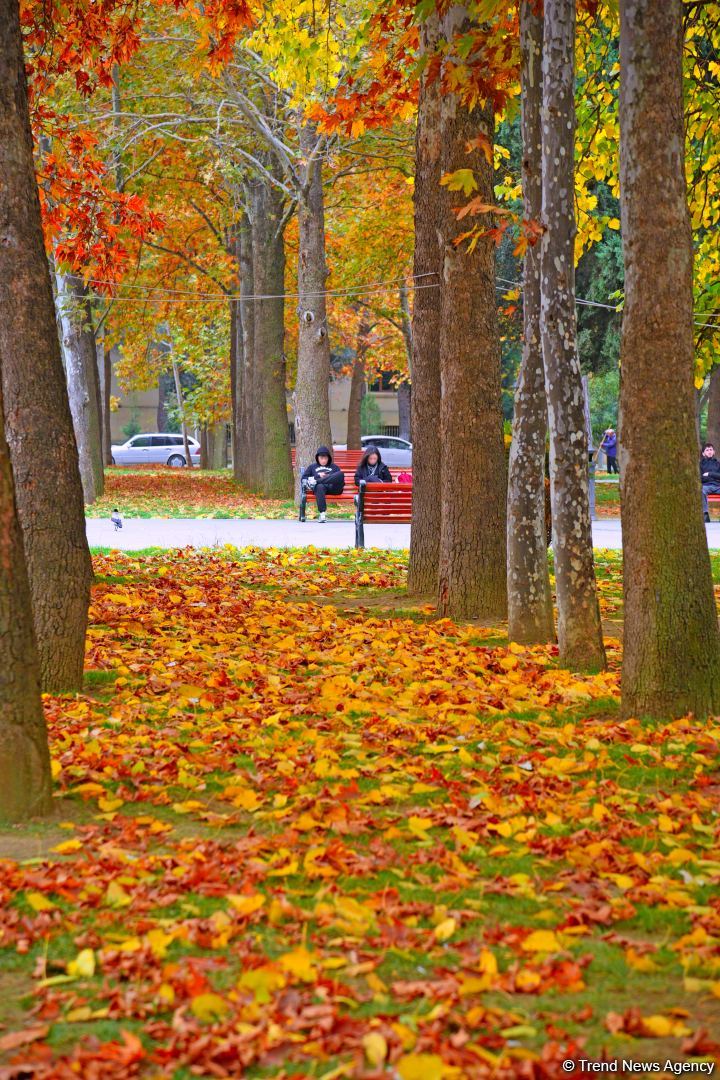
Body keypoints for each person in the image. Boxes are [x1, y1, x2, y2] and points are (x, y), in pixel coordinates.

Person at [300, 446, 345, 522]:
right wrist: (318, 476)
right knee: (319, 486)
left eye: (325, 458)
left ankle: (318, 481)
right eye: (321, 458)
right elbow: (303, 478)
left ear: (328, 458)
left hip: (333, 488)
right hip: (320, 489)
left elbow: (339, 478)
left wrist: (324, 478)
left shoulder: (334, 467)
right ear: (317, 458)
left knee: (340, 474)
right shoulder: (312, 467)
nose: (324, 460)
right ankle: (322, 514)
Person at [700, 442, 720, 522]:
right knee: (701, 491)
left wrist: (709, 474)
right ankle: (705, 514)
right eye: (707, 450)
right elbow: (700, 477)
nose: (709, 451)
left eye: (711, 449)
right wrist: (715, 476)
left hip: (718, 486)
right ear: (703, 453)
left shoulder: (718, 464)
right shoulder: (700, 465)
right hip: (706, 486)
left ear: (714, 452)